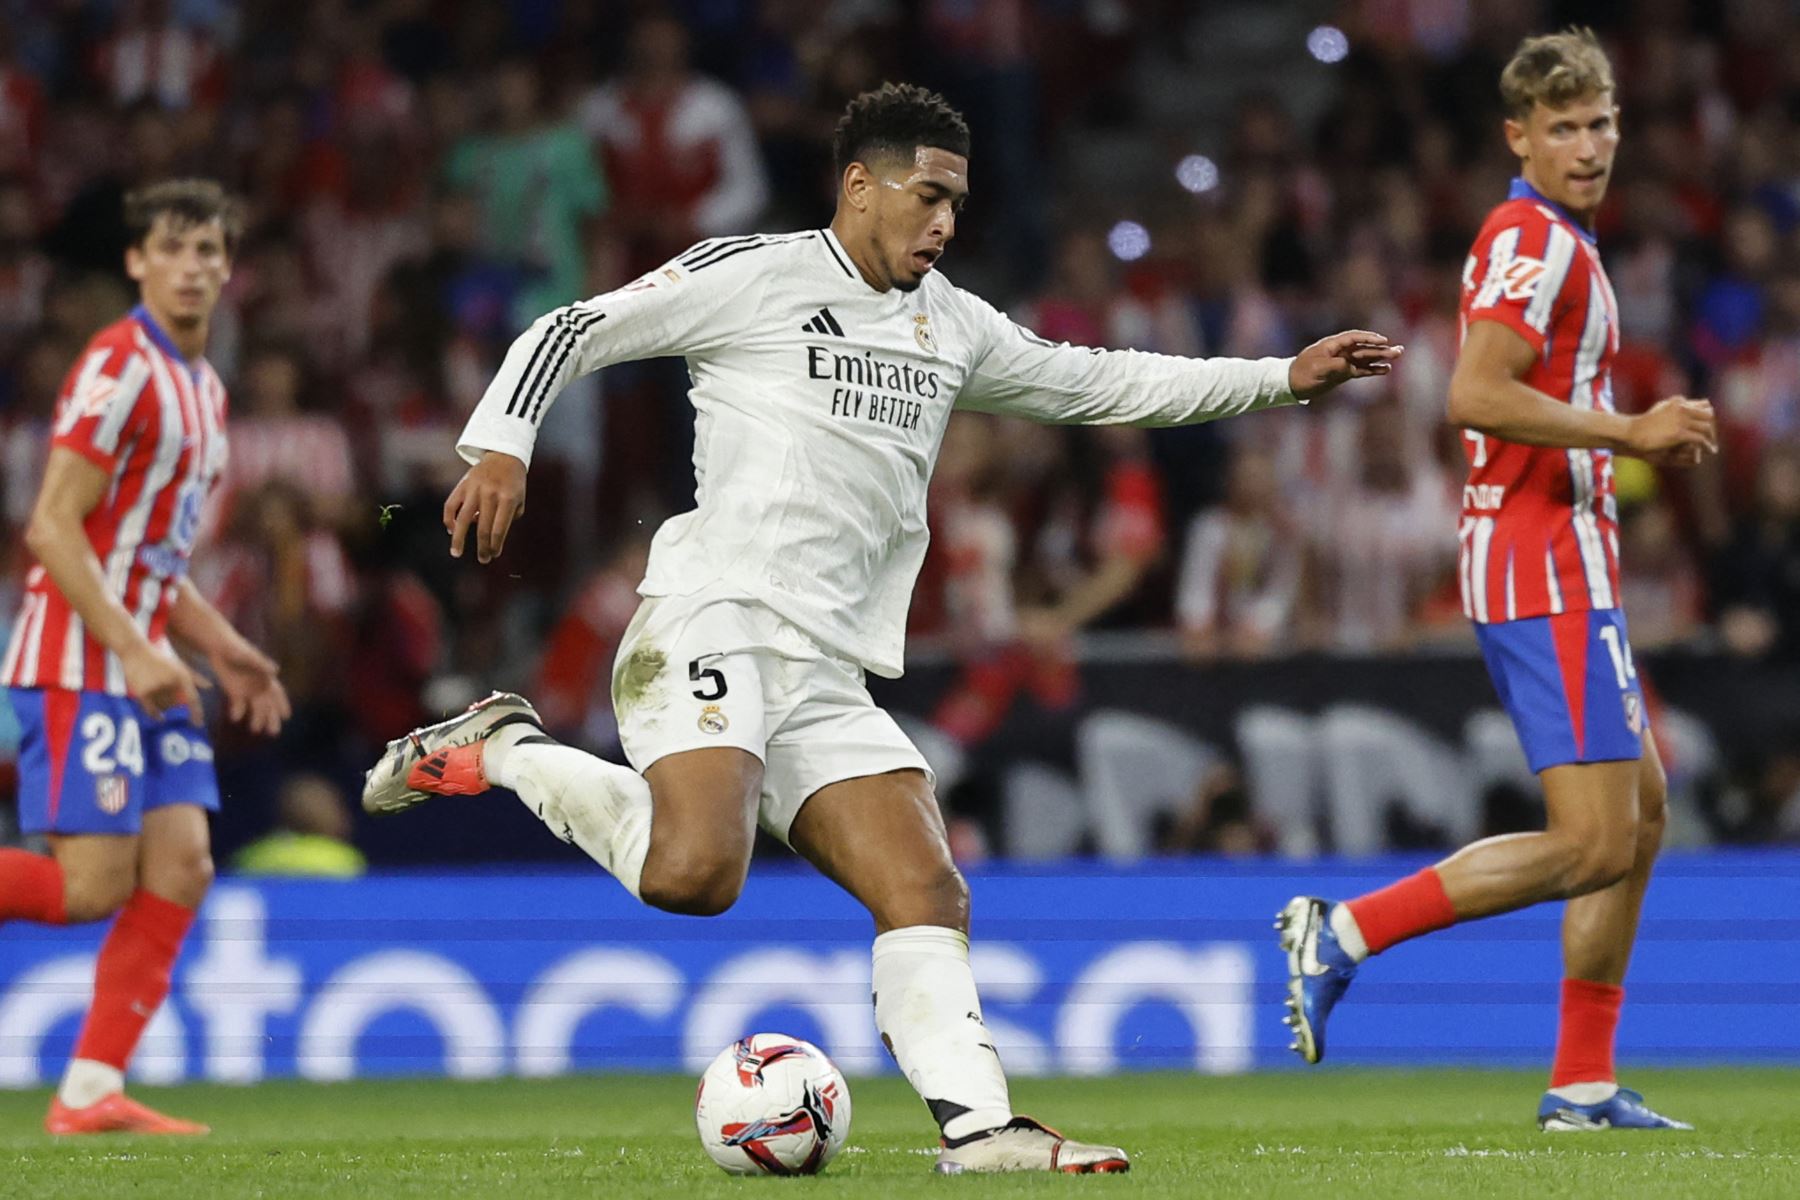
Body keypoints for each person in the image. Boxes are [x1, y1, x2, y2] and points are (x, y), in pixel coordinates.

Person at [364, 83, 1398, 1174]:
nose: (946, 223)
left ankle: (982, 1129)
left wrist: (1280, 379)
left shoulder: (949, 322)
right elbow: (573, 325)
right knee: (693, 878)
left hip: (827, 667)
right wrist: (504, 445)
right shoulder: (754, 274)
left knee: (925, 889)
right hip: (716, 612)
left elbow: (1098, 380)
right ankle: (505, 749)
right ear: (859, 185)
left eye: (959, 201)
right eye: (929, 195)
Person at [1279, 29, 1715, 1133]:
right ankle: (1346, 932)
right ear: (1518, 136)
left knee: (1643, 814)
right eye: (1562, 126)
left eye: (1600, 122)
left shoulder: (1555, 236)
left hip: (1566, 555)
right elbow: (1475, 391)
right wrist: (1630, 431)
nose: (1588, 145)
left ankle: (1580, 1080)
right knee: (1593, 843)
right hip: (1540, 559)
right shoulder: (1539, 239)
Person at [0, 180, 290, 1135]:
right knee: (90, 889)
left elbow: (151, 554)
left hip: (145, 659)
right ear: (137, 261)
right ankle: (88, 1090)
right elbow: (50, 527)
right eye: (174, 248)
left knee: (183, 865)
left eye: (211, 251)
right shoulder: (118, 366)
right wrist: (134, 649)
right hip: (84, 660)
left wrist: (225, 646)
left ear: (228, 267)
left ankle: (89, 1090)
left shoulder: (204, 388)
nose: (195, 267)